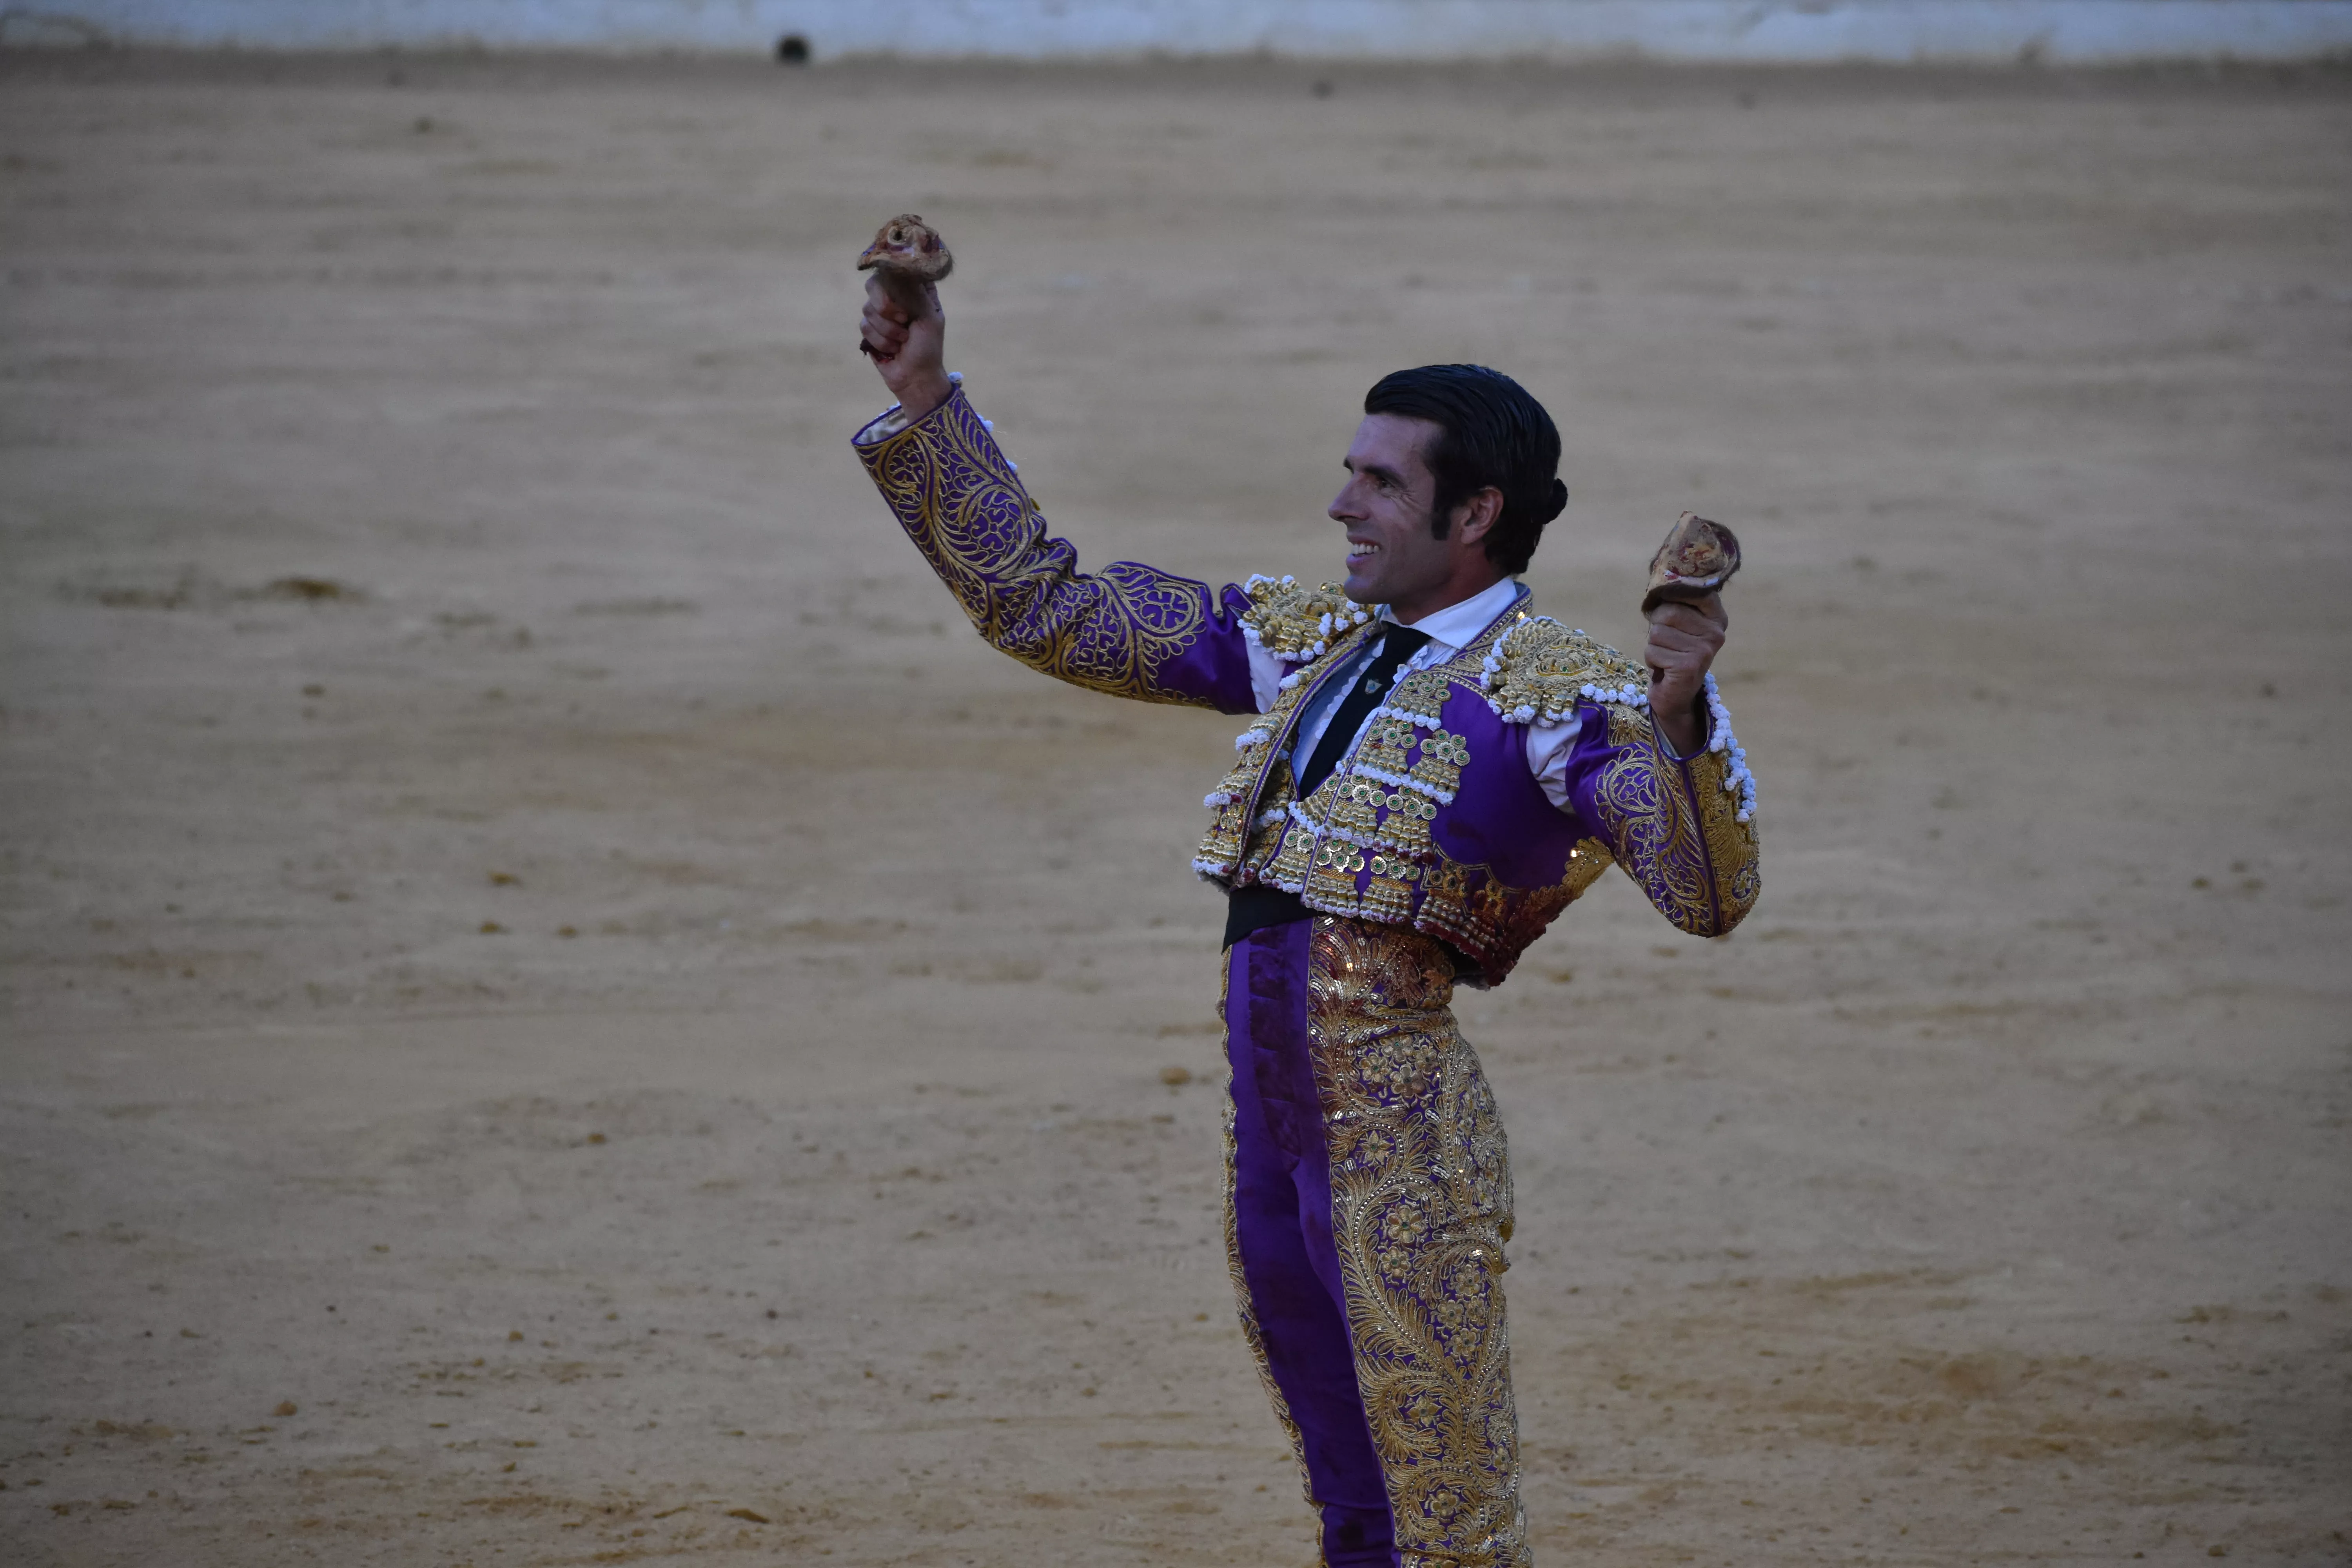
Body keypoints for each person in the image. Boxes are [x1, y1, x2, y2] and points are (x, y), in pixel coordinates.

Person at [852, 274, 1759, 1568]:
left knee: (1450, 1526)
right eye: (1352, 472)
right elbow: (1049, 610)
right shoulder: (1315, 643)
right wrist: (926, 399)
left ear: (1476, 512)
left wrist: (1676, 721)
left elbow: (1707, 894)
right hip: (1275, 1142)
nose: (1343, 503)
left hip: (1404, 1158)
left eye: (1382, 483)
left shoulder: (1563, 695)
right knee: (1353, 1503)